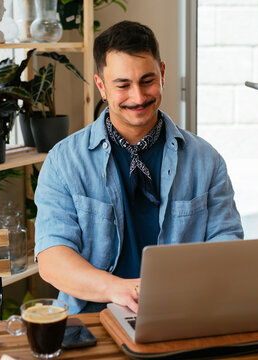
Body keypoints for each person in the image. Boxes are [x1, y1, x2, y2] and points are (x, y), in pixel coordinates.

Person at [34, 21, 243, 315]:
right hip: (94, 317)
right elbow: (53, 259)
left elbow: (227, 245)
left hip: (182, 312)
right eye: (122, 85)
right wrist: (119, 289)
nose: (138, 97)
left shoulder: (206, 160)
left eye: (147, 81)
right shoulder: (63, 161)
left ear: (163, 74)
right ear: (101, 87)